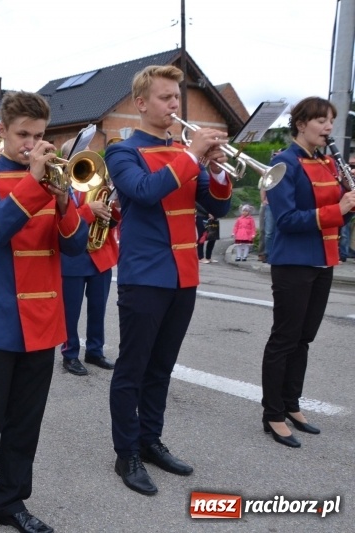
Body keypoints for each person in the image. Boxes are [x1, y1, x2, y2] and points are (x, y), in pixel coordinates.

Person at [0, 91, 88, 533]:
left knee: (25, 426)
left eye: (39, 135)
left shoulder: (55, 180)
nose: (32, 143)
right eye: (23, 134)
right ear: (2, 132)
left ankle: (11, 503)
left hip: (44, 319)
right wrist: (33, 181)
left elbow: (74, 245)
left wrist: (65, 201)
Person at [104, 65, 232, 496]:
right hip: (144, 275)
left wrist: (215, 171)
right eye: (165, 98)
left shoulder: (184, 153)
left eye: (177, 98)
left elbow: (219, 209)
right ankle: (127, 452)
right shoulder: (123, 152)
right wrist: (192, 156)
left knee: (161, 367)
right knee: (132, 368)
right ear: (142, 104)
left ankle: (150, 439)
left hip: (184, 274)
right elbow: (143, 191)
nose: (174, 105)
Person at [261, 96, 355, 448]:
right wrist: (338, 208)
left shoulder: (330, 162)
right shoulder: (284, 164)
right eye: (321, 121)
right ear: (301, 123)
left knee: (304, 338)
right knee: (284, 338)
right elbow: (285, 221)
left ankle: (291, 404)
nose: (329, 127)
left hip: (322, 260)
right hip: (293, 263)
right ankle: (272, 414)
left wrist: (348, 206)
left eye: (331, 121)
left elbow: (338, 216)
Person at [59, 138, 119, 377]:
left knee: (98, 308)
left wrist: (114, 208)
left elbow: (112, 220)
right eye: (80, 155)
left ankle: (95, 350)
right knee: (70, 311)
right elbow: (61, 219)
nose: (87, 159)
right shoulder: (60, 186)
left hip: (100, 255)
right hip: (72, 257)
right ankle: (69, 354)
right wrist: (88, 211)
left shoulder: (99, 182)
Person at [257, 186, 274, 262]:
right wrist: (263, 200)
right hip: (269, 204)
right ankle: (267, 255)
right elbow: (263, 186)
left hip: (280, 204)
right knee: (267, 232)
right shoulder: (268, 175)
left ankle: (272, 254)